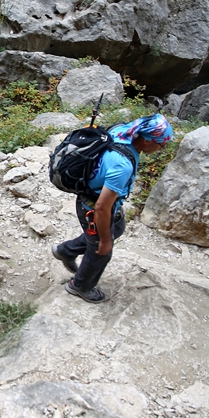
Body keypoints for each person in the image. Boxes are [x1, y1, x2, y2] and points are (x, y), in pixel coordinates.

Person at [51, 114, 173, 303]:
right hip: (91, 207)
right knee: (102, 251)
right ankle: (80, 286)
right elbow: (101, 208)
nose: (161, 149)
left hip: (93, 197)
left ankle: (67, 250)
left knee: (117, 227)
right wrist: (105, 241)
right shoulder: (122, 165)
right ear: (148, 140)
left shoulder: (121, 131)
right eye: (161, 145)